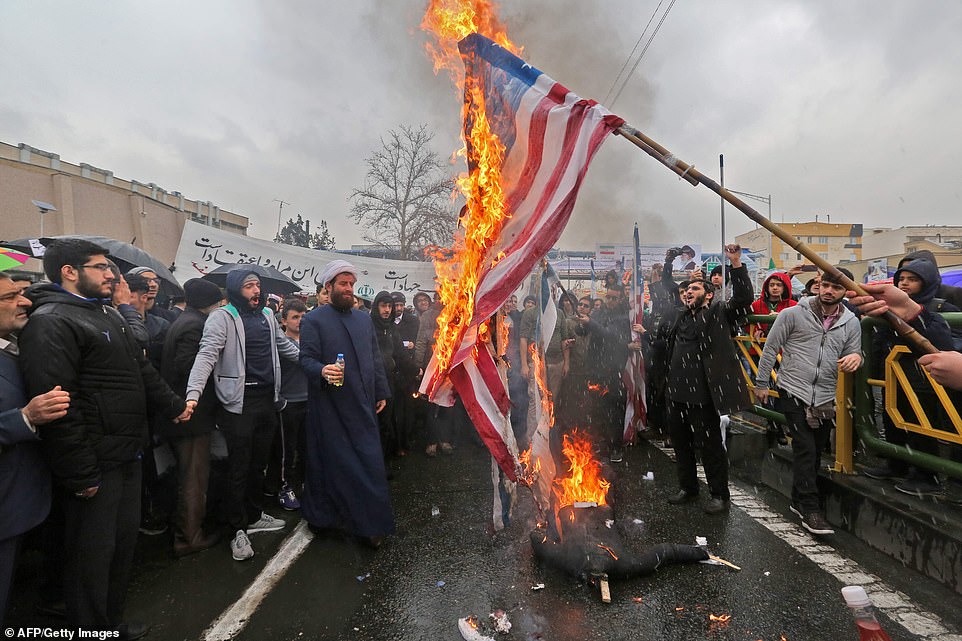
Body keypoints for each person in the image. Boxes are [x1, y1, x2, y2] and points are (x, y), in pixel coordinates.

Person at [19, 239, 191, 638]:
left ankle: (108, 623)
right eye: (100, 267)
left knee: (117, 551)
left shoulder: (105, 313)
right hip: (96, 462)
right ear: (69, 271)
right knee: (90, 559)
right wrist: (81, 473)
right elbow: (60, 405)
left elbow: (139, 372)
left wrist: (173, 404)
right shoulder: (52, 321)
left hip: (127, 452)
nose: (112, 275)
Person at [184, 267, 298, 561]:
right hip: (238, 405)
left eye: (257, 286)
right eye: (249, 286)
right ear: (235, 290)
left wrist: (317, 361)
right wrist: (193, 393)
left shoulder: (268, 316)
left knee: (257, 464)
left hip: (266, 401)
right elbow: (207, 355)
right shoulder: (222, 318)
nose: (256, 291)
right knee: (238, 466)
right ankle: (236, 529)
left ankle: (253, 514)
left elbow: (284, 346)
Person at [754, 268, 862, 534]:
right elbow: (770, 347)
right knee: (805, 448)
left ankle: (797, 498)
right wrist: (761, 383)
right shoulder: (792, 314)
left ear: (845, 292)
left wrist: (857, 358)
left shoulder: (851, 322)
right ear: (818, 285)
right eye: (825, 284)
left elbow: (855, 351)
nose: (828, 291)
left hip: (825, 395)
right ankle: (810, 509)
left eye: (836, 288)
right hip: (793, 389)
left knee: (814, 449)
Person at [299, 261, 394, 547]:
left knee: (368, 462)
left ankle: (370, 524)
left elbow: (375, 358)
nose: (349, 289)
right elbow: (305, 360)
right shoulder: (313, 320)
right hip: (330, 407)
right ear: (328, 287)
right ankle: (324, 519)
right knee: (331, 464)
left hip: (362, 404)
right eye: (343, 283)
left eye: (351, 284)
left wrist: (381, 391)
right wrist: (322, 370)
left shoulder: (363, 319)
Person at [0, 272, 71, 625]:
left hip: (24, 501)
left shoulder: (14, 345)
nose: (25, 301)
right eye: (10, 297)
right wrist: (25, 418)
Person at [663, 244, 753, 514]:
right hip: (676, 391)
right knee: (681, 443)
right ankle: (688, 488)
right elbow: (668, 286)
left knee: (710, 444)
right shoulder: (681, 316)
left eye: (696, 289)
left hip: (703, 394)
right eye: (687, 290)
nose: (689, 292)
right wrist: (669, 261)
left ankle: (718, 495)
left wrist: (736, 263)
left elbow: (744, 298)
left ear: (709, 295)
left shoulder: (718, 313)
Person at [859, 259, 957, 497]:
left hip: (923, 380)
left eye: (912, 279)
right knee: (893, 420)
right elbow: (880, 341)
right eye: (902, 279)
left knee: (921, 426)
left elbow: (945, 343)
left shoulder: (940, 309)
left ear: (928, 282)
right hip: (894, 376)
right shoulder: (887, 309)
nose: (905, 284)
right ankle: (896, 462)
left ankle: (926, 474)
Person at [158, 278, 224, 557]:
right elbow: (189, 366)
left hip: (185, 415)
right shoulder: (195, 325)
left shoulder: (184, 320)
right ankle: (189, 537)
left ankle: (186, 530)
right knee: (194, 478)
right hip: (191, 417)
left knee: (189, 475)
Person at [576, 284, 631, 462]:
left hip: (613, 370)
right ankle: (603, 445)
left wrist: (590, 322)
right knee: (597, 409)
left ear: (621, 299)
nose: (609, 301)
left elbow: (610, 335)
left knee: (614, 411)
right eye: (608, 297)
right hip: (596, 369)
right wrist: (582, 321)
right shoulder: (599, 314)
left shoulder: (623, 318)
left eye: (614, 298)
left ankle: (616, 447)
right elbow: (582, 331)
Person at [266, 298, 309, 511]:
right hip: (289, 403)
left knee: (304, 446)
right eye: (295, 317)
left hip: (307, 402)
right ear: (283, 321)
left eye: (303, 317)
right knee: (286, 450)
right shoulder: (280, 344)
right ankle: (284, 487)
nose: (300, 321)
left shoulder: (310, 343)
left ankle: (300, 483)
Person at [391, 292, 419, 456]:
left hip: (408, 369)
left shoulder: (412, 320)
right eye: (396, 305)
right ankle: (396, 443)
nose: (399, 308)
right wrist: (404, 344)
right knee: (395, 409)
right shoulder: (386, 322)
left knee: (409, 407)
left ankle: (407, 440)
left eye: (401, 305)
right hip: (393, 369)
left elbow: (416, 343)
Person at [749, 272, 796, 341]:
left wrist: (782, 316)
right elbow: (747, 323)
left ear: (784, 287)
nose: (775, 288)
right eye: (771, 285)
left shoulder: (794, 305)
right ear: (767, 287)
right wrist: (757, 330)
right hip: (760, 346)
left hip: (785, 347)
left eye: (779, 285)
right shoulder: (755, 305)